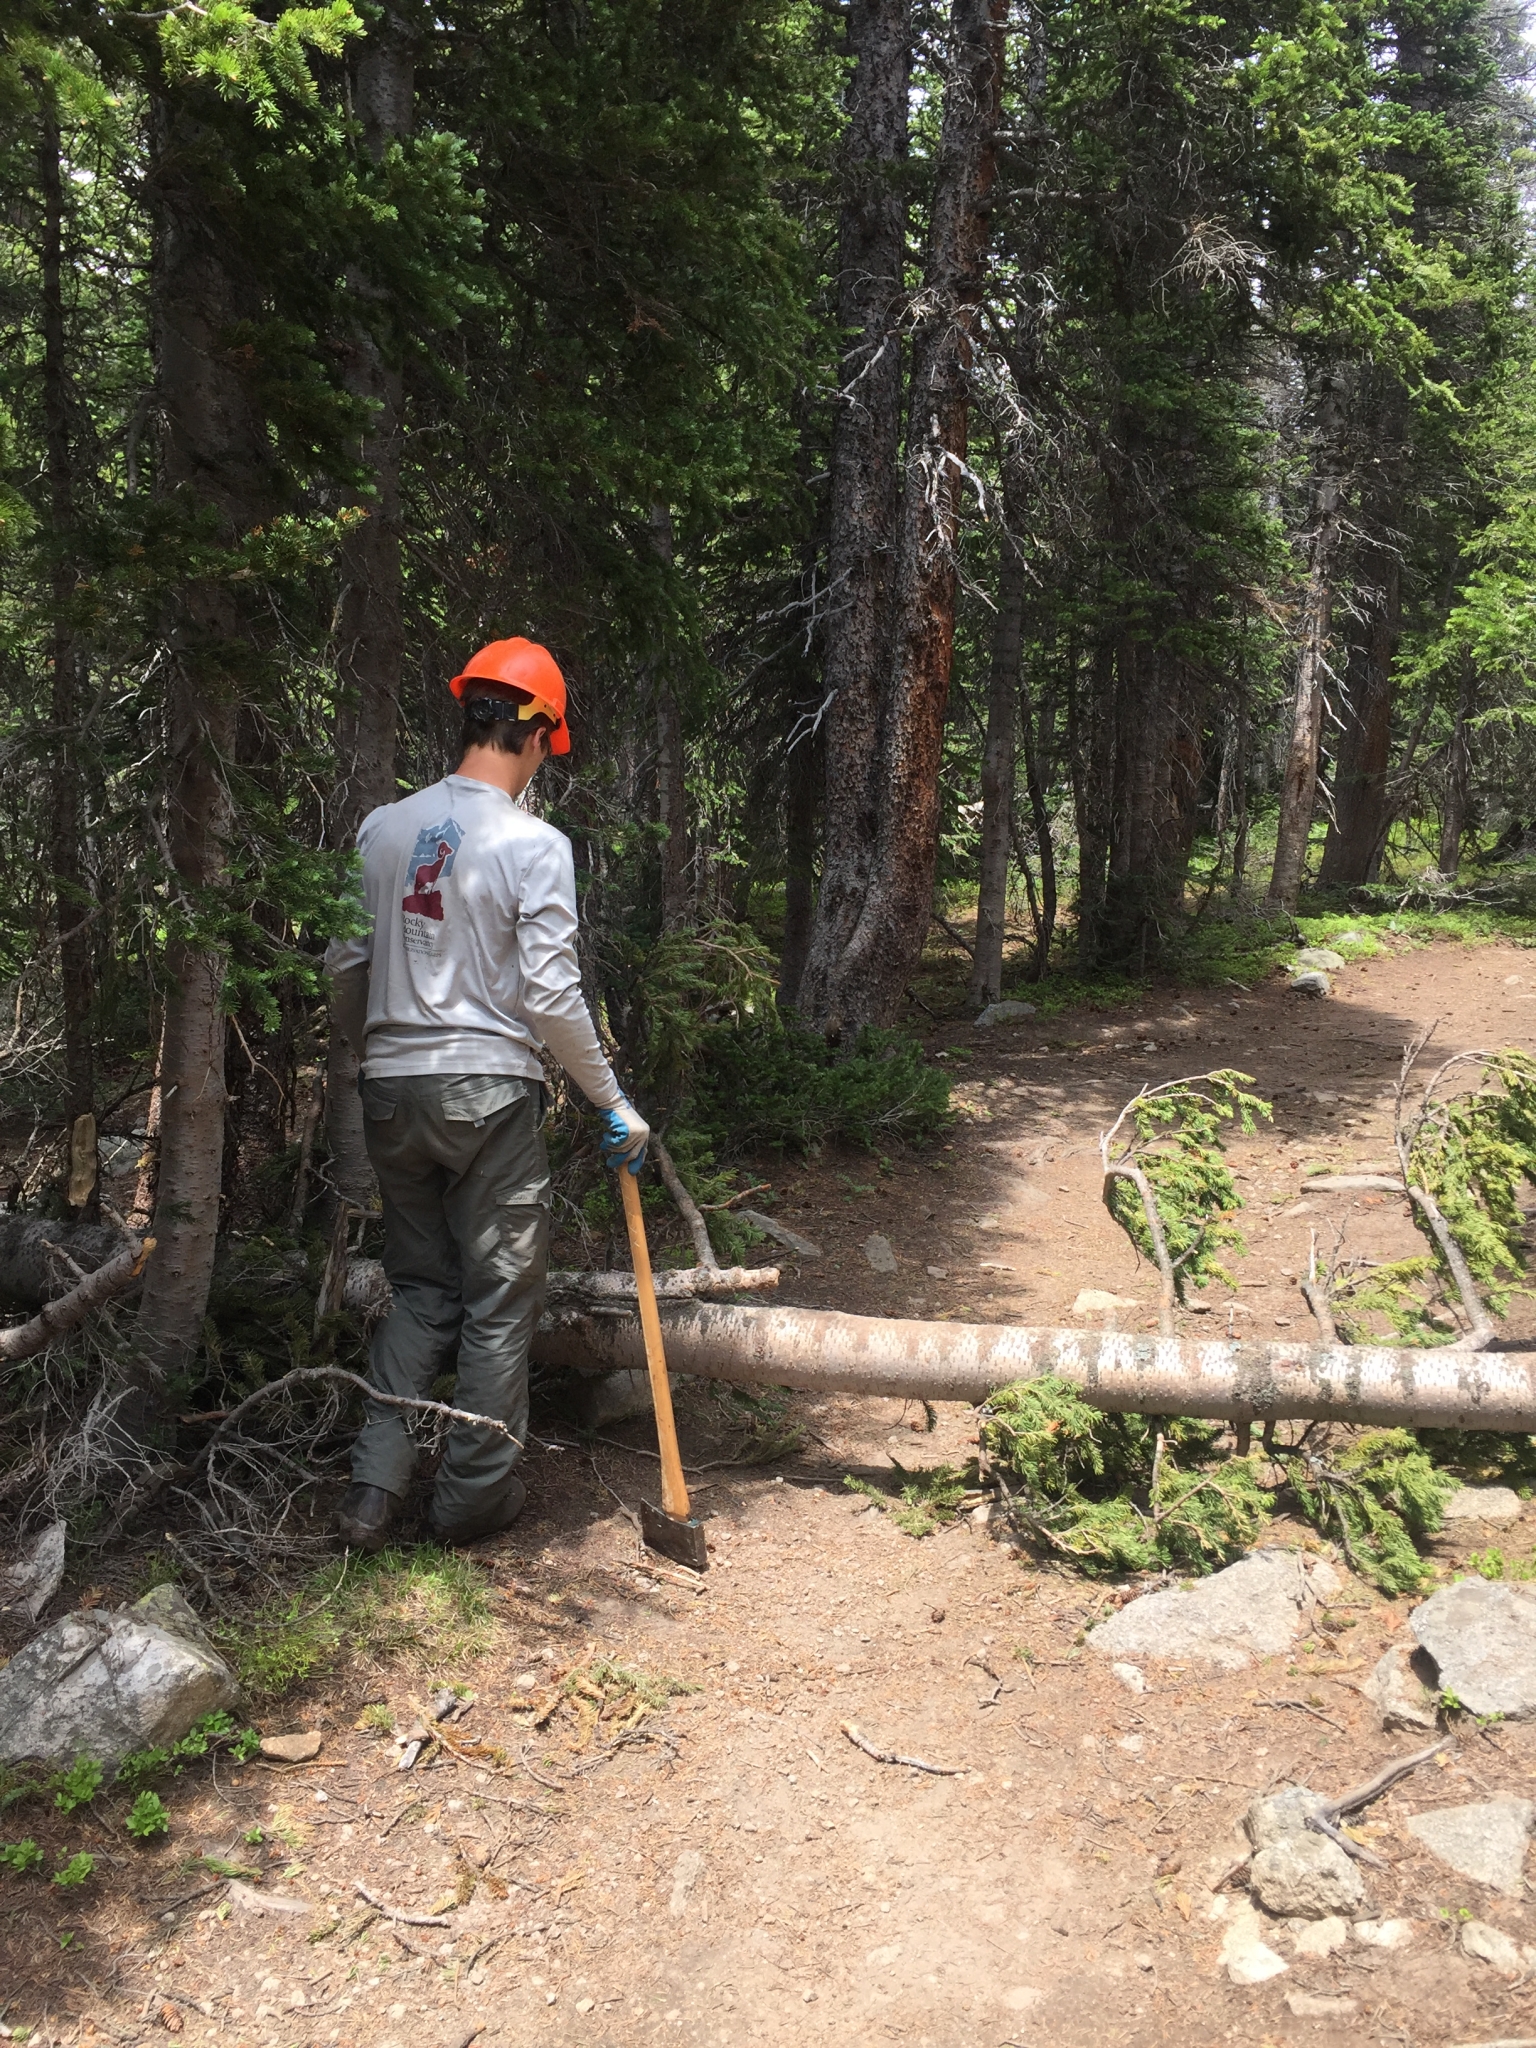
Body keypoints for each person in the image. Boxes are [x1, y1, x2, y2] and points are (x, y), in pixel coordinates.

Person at [325, 637, 649, 1550]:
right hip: (489, 1093)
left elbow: (345, 964)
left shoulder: (382, 828)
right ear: (537, 731)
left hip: (389, 1090)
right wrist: (610, 1100)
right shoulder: (534, 844)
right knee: (501, 1297)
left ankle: (372, 1493)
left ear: (471, 713)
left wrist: (376, 1048)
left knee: (423, 1290)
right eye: (552, 742)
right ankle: (471, 1502)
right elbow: (549, 993)